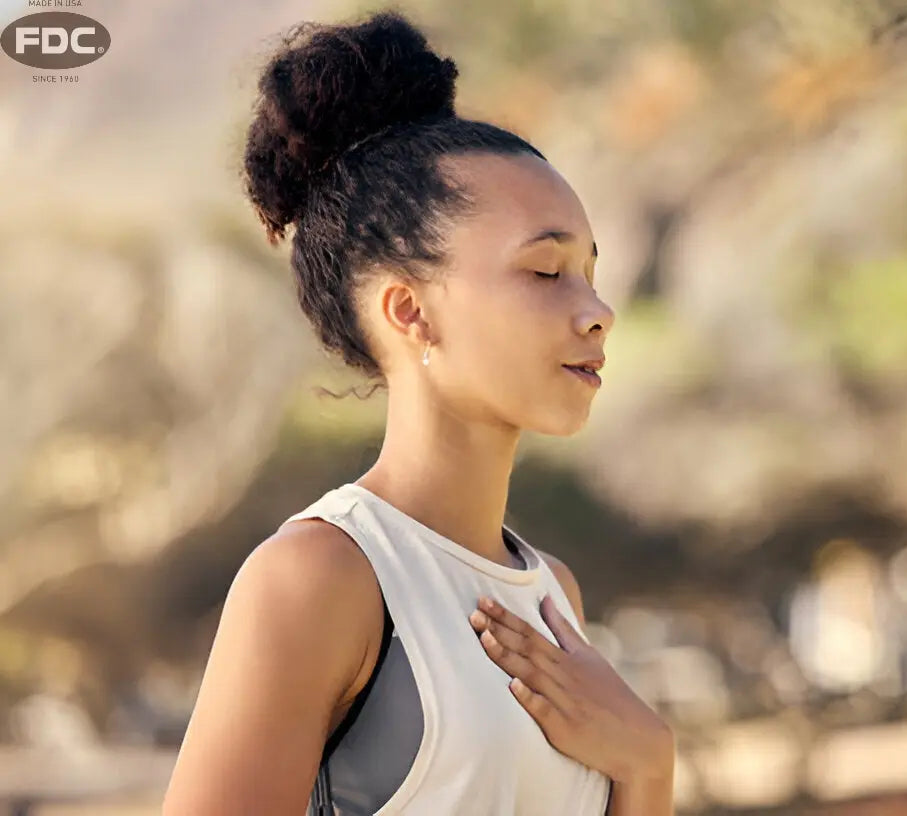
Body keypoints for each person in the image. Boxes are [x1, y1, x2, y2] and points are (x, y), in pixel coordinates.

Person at [162, 9, 675, 815]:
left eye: (589, 272)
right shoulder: (319, 580)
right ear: (409, 312)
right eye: (546, 273)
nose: (596, 310)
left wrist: (648, 767)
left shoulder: (551, 595)